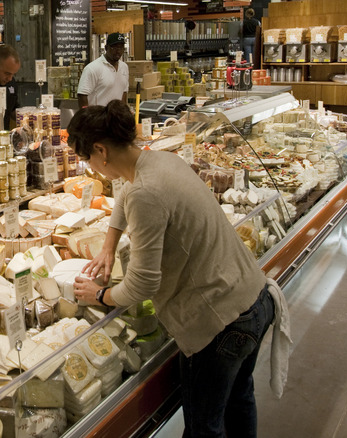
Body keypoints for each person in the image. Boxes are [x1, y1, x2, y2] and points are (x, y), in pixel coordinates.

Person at [69, 101, 280, 438]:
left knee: (204, 428)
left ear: (100, 150)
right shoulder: (159, 160)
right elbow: (127, 194)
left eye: (87, 159)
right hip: (253, 299)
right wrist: (109, 244)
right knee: (240, 401)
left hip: (219, 324)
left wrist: (100, 295)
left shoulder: (145, 193)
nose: (91, 168)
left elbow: (142, 284)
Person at [77, 32, 129, 108]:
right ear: (106, 48)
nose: (118, 51)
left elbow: (124, 92)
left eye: (121, 48)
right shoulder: (93, 68)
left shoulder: (124, 67)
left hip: (116, 117)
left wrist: (123, 112)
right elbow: (82, 95)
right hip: (98, 117)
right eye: (114, 47)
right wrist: (87, 117)